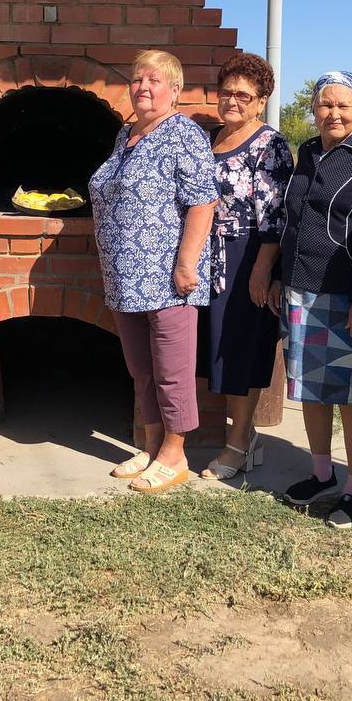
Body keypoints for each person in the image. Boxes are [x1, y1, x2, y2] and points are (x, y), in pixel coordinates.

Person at [272, 71, 352, 529]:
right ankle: (321, 471)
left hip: (346, 292)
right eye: (325, 105)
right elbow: (290, 218)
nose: (333, 113)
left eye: (343, 105)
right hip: (299, 285)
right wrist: (278, 275)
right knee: (308, 386)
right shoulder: (307, 151)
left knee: (350, 394)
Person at [91, 50, 219, 493]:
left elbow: (204, 200)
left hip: (167, 276)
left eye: (154, 80)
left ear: (175, 90)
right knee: (140, 367)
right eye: (137, 79)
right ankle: (149, 446)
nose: (143, 87)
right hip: (125, 276)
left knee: (172, 369)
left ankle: (174, 453)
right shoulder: (125, 134)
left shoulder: (184, 133)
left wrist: (186, 263)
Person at [197, 53, 292, 480]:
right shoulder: (211, 137)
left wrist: (262, 268)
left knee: (241, 345)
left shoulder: (269, 145)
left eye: (244, 95)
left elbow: (274, 215)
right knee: (216, 345)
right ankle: (243, 435)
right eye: (227, 92)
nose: (232, 101)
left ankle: (238, 443)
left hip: (246, 252)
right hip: (206, 253)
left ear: (261, 101)